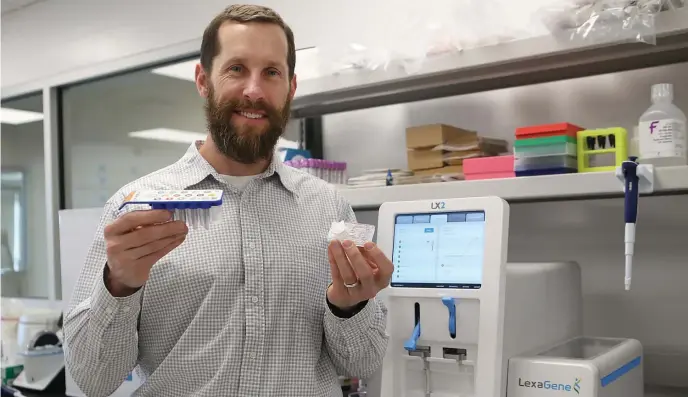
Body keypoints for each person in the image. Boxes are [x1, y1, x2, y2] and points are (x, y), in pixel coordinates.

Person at [63, 4, 393, 397]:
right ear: (203, 80)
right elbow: (93, 380)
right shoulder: (136, 208)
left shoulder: (327, 208)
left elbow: (363, 363)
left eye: (271, 72)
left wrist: (349, 307)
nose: (254, 90)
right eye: (236, 68)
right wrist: (117, 286)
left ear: (291, 87)